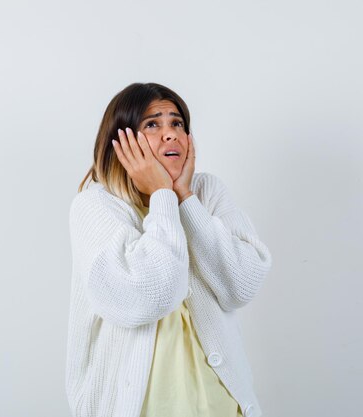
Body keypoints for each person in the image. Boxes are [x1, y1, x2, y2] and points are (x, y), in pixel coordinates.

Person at [66, 82, 273, 417]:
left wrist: (185, 200)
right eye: (152, 124)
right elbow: (148, 296)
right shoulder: (95, 207)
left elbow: (242, 285)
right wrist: (163, 195)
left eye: (177, 123)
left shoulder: (206, 192)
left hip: (221, 405)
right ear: (121, 140)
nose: (170, 134)